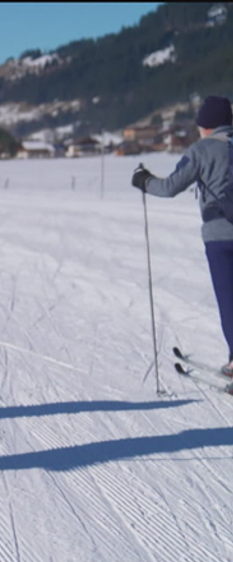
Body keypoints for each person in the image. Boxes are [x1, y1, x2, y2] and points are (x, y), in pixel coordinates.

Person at [133, 95, 233, 386]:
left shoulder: (201, 150)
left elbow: (170, 187)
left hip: (218, 236)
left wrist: (144, 181)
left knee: (229, 300)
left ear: (206, 125)